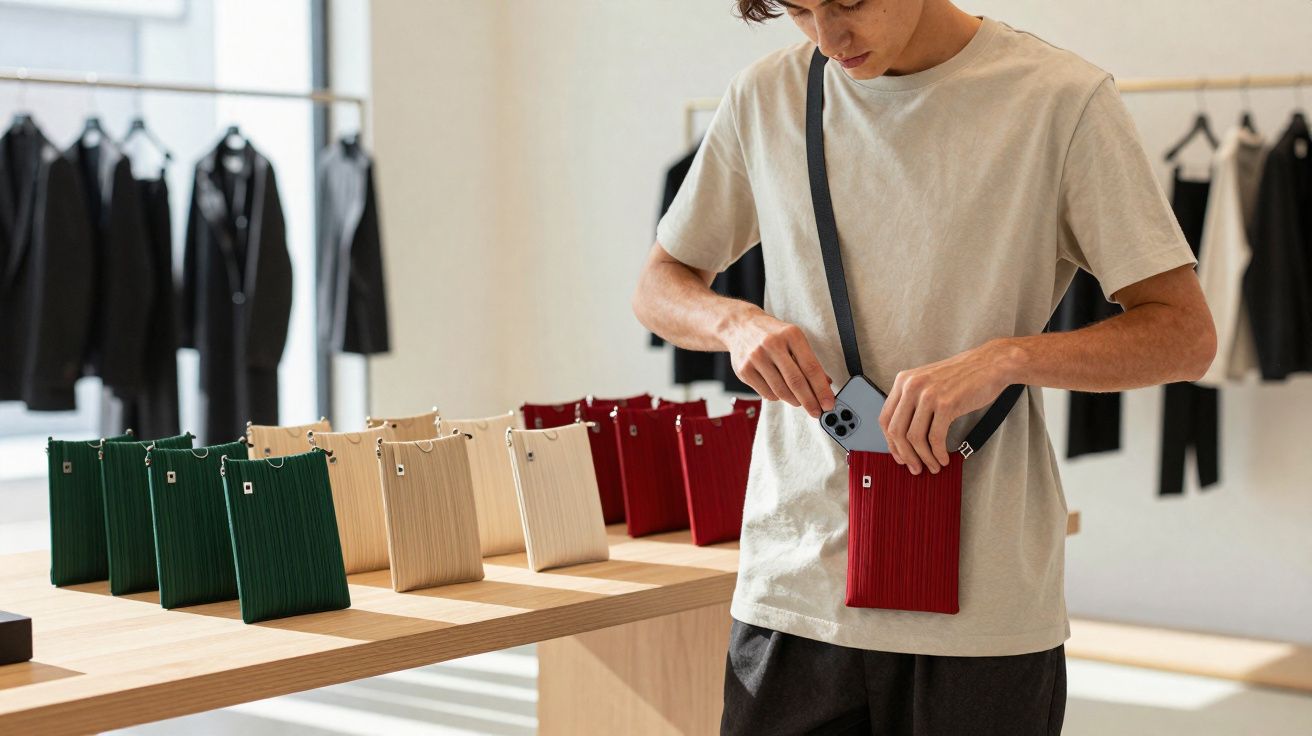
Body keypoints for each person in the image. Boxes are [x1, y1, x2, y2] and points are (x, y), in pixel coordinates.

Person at [631, 1, 1217, 734]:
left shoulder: (1059, 101)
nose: (829, 37)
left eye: (849, 2)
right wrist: (733, 322)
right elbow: (659, 284)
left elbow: (1185, 334)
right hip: (795, 597)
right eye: (803, 11)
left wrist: (1008, 358)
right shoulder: (765, 95)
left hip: (986, 620)